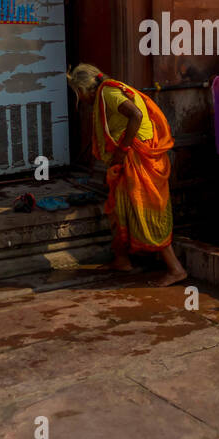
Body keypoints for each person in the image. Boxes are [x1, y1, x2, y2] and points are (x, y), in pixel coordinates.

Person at [66, 64, 187, 286]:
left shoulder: (109, 93)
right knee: (119, 208)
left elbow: (136, 115)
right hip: (130, 159)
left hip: (136, 158)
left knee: (144, 209)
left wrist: (122, 151)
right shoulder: (108, 91)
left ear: (83, 90)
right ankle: (122, 260)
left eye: (78, 94)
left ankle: (176, 269)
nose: (80, 100)